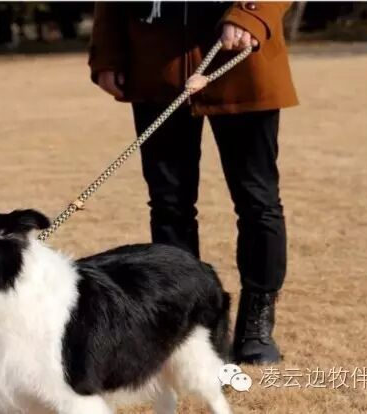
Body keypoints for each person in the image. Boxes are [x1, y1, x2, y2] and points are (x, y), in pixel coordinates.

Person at [88, 2, 298, 364]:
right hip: (158, 65)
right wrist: (108, 52)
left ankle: (256, 325)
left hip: (243, 63)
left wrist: (250, 14)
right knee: (169, 204)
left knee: (257, 202)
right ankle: (183, 323)